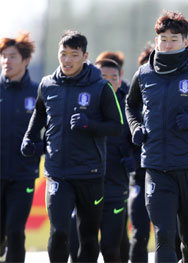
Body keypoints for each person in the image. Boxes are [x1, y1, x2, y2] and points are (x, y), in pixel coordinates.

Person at [125, 11, 188, 262]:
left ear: (185, 41)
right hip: (157, 166)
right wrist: (136, 127)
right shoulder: (144, 73)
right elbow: (131, 106)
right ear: (156, 39)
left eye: (174, 38)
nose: (168, 43)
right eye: (163, 38)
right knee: (163, 235)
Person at [21, 30, 123, 263]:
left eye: (74, 55)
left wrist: (90, 125)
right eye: (63, 54)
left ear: (85, 56)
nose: (67, 60)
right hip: (58, 172)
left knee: (87, 237)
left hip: (90, 173)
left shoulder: (100, 87)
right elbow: (39, 114)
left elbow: (116, 126)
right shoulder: (47, 84)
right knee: (59, 232)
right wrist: (29, 137)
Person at [68, 57, 135, 263]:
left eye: (113, 77)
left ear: (120, 78)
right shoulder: (81, 103)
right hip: (85, 186)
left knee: (110, 248)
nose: (108, 81)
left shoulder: (130, 107)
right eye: (103, 77)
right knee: (81, 247)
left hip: (115, 188)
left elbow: (141, 140)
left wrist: (133, 157)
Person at [0, 31, 40, 263]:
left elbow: (51, 131)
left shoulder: (37, 93)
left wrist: (38, 148)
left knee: (15, 231)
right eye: (4, 56)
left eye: (12, 56)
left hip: (23, 175)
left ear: (25, 60)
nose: (7, 61)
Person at [128, 42, 154, 263]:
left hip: (167, 175)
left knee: (171, 234)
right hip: (139, 179)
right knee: (139, 233)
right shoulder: (133, 109)